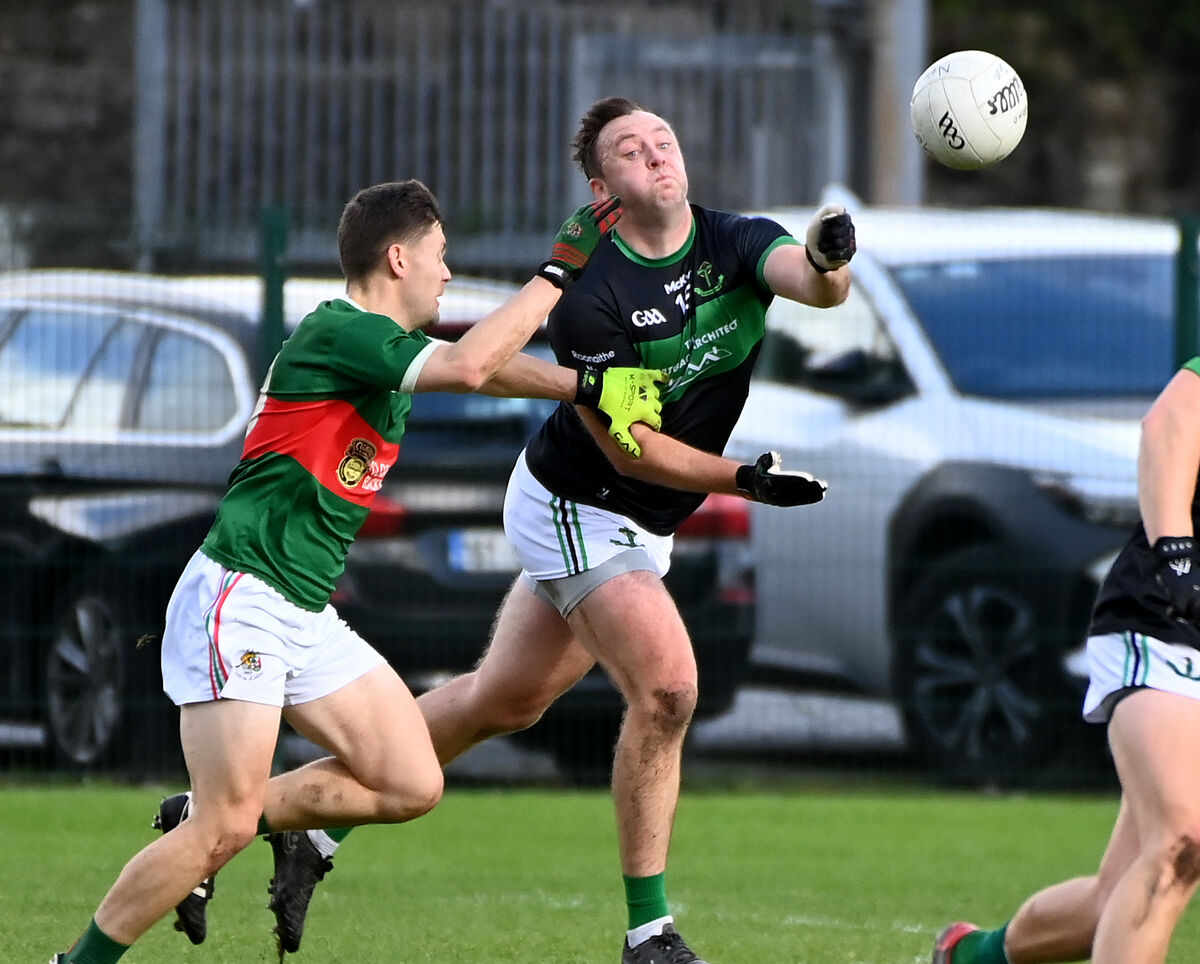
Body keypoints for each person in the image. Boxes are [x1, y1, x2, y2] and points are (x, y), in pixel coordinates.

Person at [161, 96, 856, 961]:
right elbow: (633, 454)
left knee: (504, 701)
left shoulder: (736, 240)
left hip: (647, 524)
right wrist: (744, 480)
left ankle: (252, 820)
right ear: (602, 188)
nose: (656, 155)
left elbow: (816, 286)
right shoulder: (591, 292)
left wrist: (829, 261)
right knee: (669, 689)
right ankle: (652, 932)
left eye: (663, 141)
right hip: (579, 502)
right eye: (631, 152)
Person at [47, 178, 664, 964]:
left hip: (301, 611)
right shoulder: (338, 331)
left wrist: (588, 386)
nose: (448, 274)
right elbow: (475, 366)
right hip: (242, 594)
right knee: (225, 827)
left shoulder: (386, 352)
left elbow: (489, 366)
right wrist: (557, 271)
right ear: (399, 258)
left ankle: (231, 817)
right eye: (441, 258)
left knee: (411, 783)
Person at [933, 354, 1200, 964]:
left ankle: (972, 955)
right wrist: (1177, 556)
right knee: (1183, 839)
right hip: (1168, 624)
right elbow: (1169, 427)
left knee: (1117, 892)